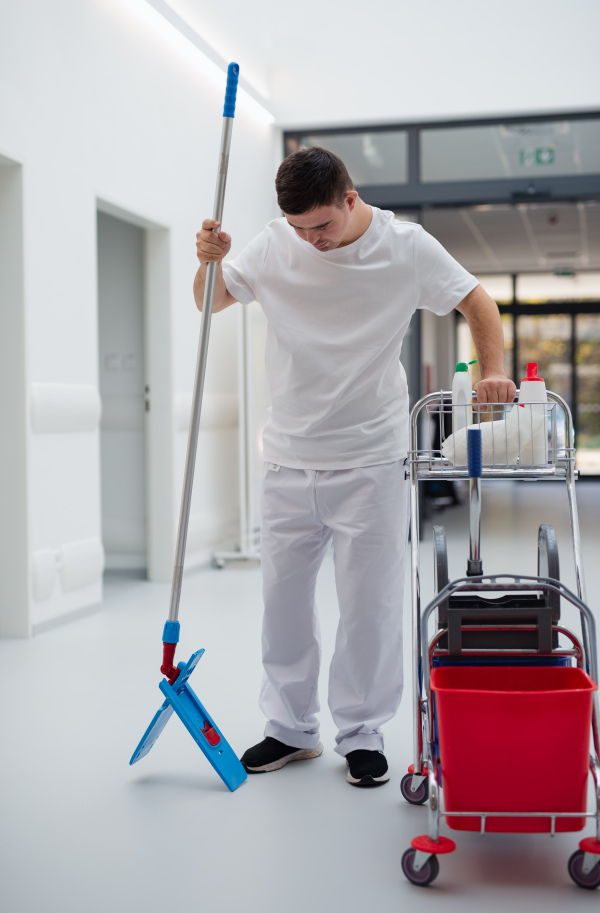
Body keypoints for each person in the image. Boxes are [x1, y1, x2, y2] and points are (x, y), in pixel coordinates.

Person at [194, 147, 516, 787]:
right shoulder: (272, 243)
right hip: (286, 456)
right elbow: (210, 303)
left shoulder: (406, 247)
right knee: (282, 605)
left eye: (322, 225)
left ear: (349, 197)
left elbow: (479, 304)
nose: (311, 240)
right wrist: (207, 262)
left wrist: (495, 370)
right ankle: (290, 729)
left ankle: (362, 732)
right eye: (298, 228)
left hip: (370, 458)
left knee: (368, 607)